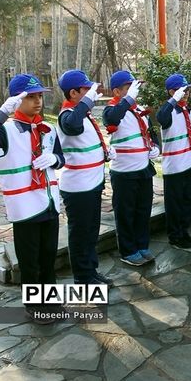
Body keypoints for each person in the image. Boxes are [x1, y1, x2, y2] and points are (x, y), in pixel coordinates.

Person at [0, 74, 64, 323]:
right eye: (30, 97)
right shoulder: (5, 131)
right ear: (16, 100)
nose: (37, 102)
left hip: (49, 202)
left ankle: (51, 300)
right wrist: (3, 111)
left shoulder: (48, 129)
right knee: (29, 260)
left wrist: (55, 160)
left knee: (48, 256)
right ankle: (35, 306)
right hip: (25, 207)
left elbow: (61, 157)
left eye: (39, 97)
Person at [57, 69, 114, 286]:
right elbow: (72, 126)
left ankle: (91, 271)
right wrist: (86, 103)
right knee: (81, 234)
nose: (91, 92)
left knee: (91, 231)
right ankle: (83, 277)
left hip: (92, 183)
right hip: (78, 187)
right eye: (86, 89)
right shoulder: (67, 115)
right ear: (73, 93)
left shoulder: (82, 112)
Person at [103, 70, 159, 266]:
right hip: (124, 171)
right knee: (126, 212)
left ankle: (142, 244)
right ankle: (128, 250)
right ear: (117, 91)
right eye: (129, 88)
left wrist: (155, 147)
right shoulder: (111, 109)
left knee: (143, 210)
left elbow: (151, 131)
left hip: (143, 167)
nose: (134, 92)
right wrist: (127, 100)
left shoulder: (138, 109)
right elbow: (111, 119)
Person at [156, 73, 191, 249]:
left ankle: (184, 231)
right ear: (172, 92)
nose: (188, 93)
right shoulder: (169, 110)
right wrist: (174, 99)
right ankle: (175, 235)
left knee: (186, 200)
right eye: (184, 90)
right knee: (174, 203)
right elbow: (161, 117)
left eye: (188, 90)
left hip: (188, 162)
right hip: (174, 165)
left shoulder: (187, 111)